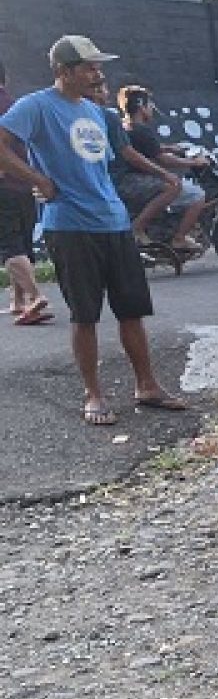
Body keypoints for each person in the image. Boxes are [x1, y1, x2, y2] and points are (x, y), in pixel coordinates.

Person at [0, 35, 189, 425]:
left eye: (98, 67)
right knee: (84, 315)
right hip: (70, 226)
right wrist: (39, 180)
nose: (98, 74)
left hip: (114, 222)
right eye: (89, 67)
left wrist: (164, 175)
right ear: (64, 71)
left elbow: (121, 154)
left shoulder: (98, 113)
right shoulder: (36, 106)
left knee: (132, 311)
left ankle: (147, 385)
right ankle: (94, 395)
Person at [116, 85, 207, 250]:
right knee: (195, 195)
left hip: (127, 179)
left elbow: (149, 148)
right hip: (132, 181)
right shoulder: (141, 130)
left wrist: (171, 148)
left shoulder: (126, 126)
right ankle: (176, 238)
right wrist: (194, 162)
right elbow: (163, 160)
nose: (152, 109)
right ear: (142, 107)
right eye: (150, 105)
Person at [0, 55, 50, 325]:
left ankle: (34, 296)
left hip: (3, 183)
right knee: (21, 241)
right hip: (24, 183)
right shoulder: (15, 105)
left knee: (8, 244)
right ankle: (18, 300)